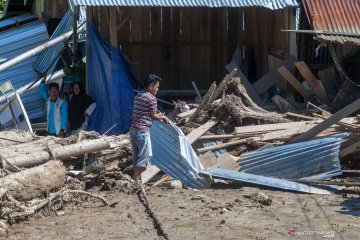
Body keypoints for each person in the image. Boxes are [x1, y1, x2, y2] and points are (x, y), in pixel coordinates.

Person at [130, 74, 169, 182]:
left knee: (137, 158)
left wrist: (158, 115)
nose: (158, 89)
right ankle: (134, 182)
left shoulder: (138, 95)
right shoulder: (152, 98)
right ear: (151, 86)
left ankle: (138, 183)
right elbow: (153, 116)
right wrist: (164, 118)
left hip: (133, 130)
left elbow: (145, 112)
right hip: (142, 131)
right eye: (157, 86)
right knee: (146, 158)